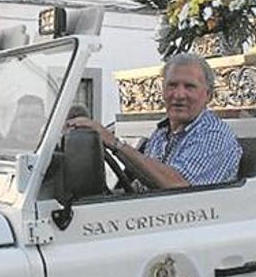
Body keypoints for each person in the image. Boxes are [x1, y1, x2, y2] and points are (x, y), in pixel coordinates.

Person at [67, 53, 241, 188]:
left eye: (189, 87)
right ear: (163, 91)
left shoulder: (214, 134)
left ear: (208, 95)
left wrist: (114, 143)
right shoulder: (161, 133)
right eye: (172, 85)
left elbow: (177, 186)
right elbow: (143, 182)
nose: (178, 95)